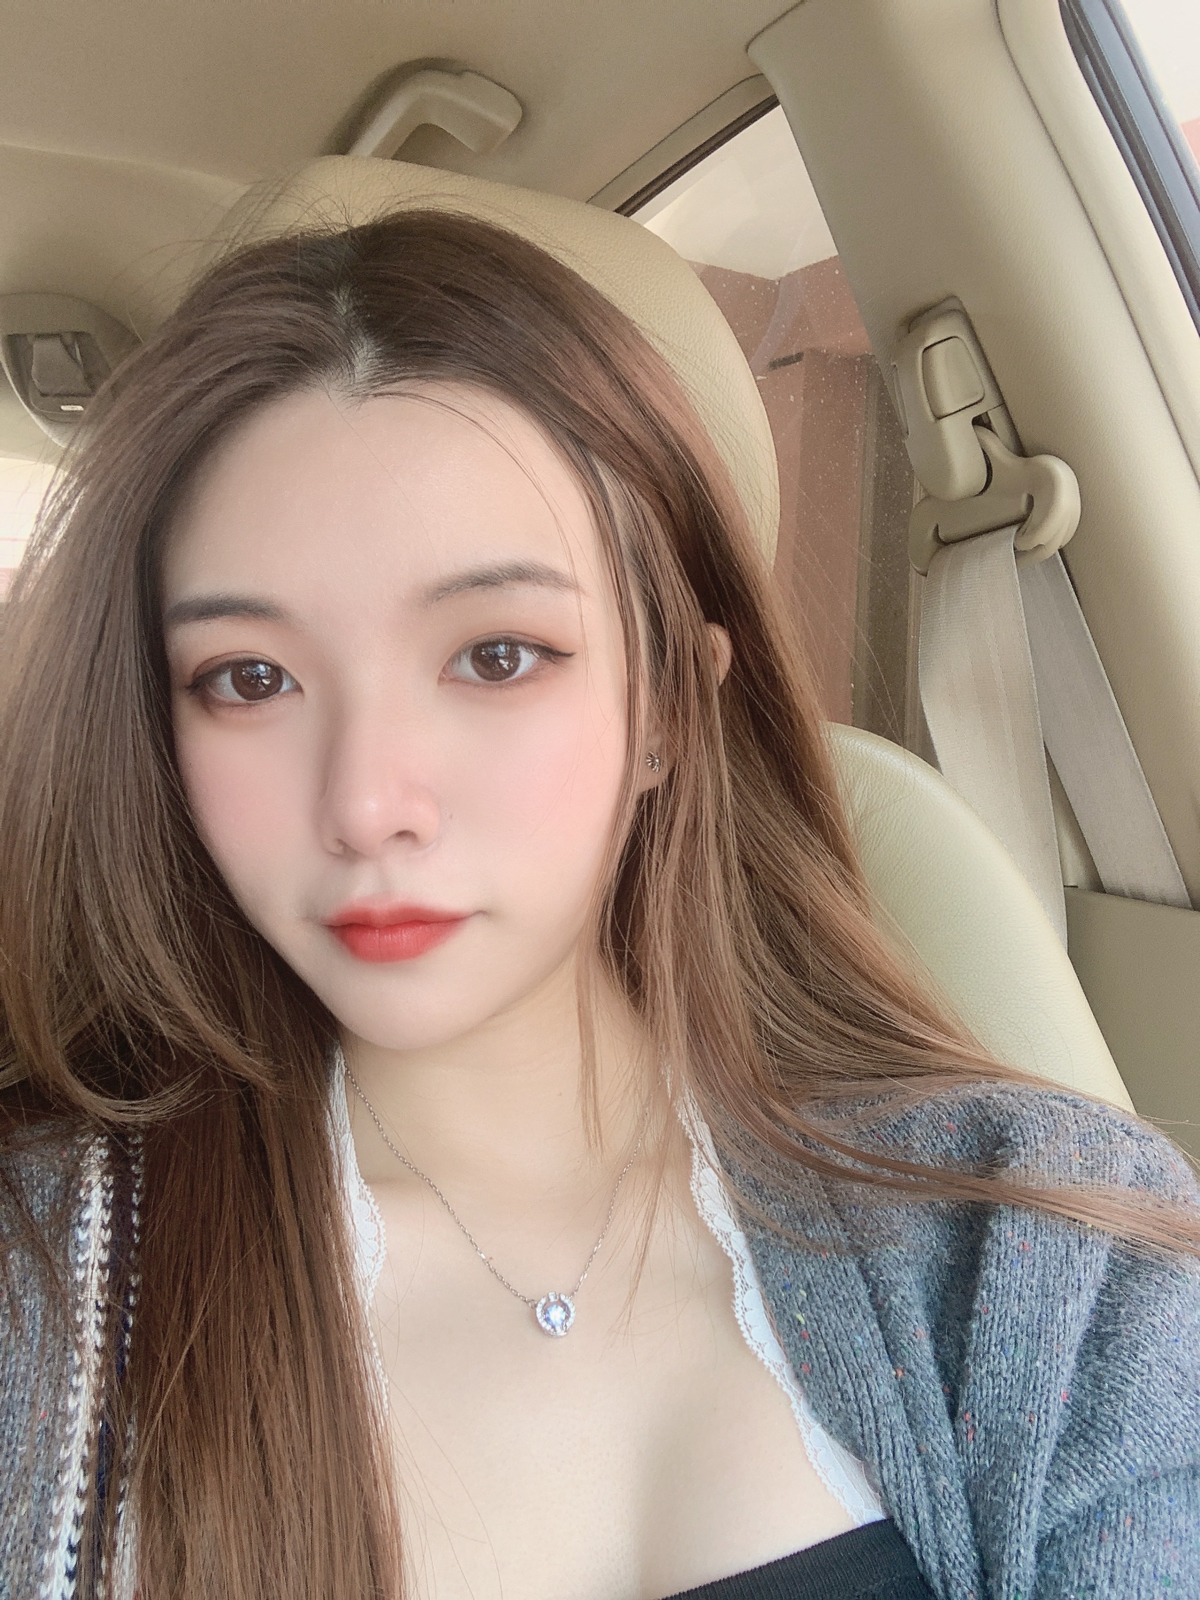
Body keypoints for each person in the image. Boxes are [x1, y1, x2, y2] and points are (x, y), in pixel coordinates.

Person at [0, 207, 1196, 1600]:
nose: (368, 803)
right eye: (250, 679)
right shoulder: (45, 1284)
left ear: (670, 707)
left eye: (497, 656)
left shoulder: (1046, 1253)